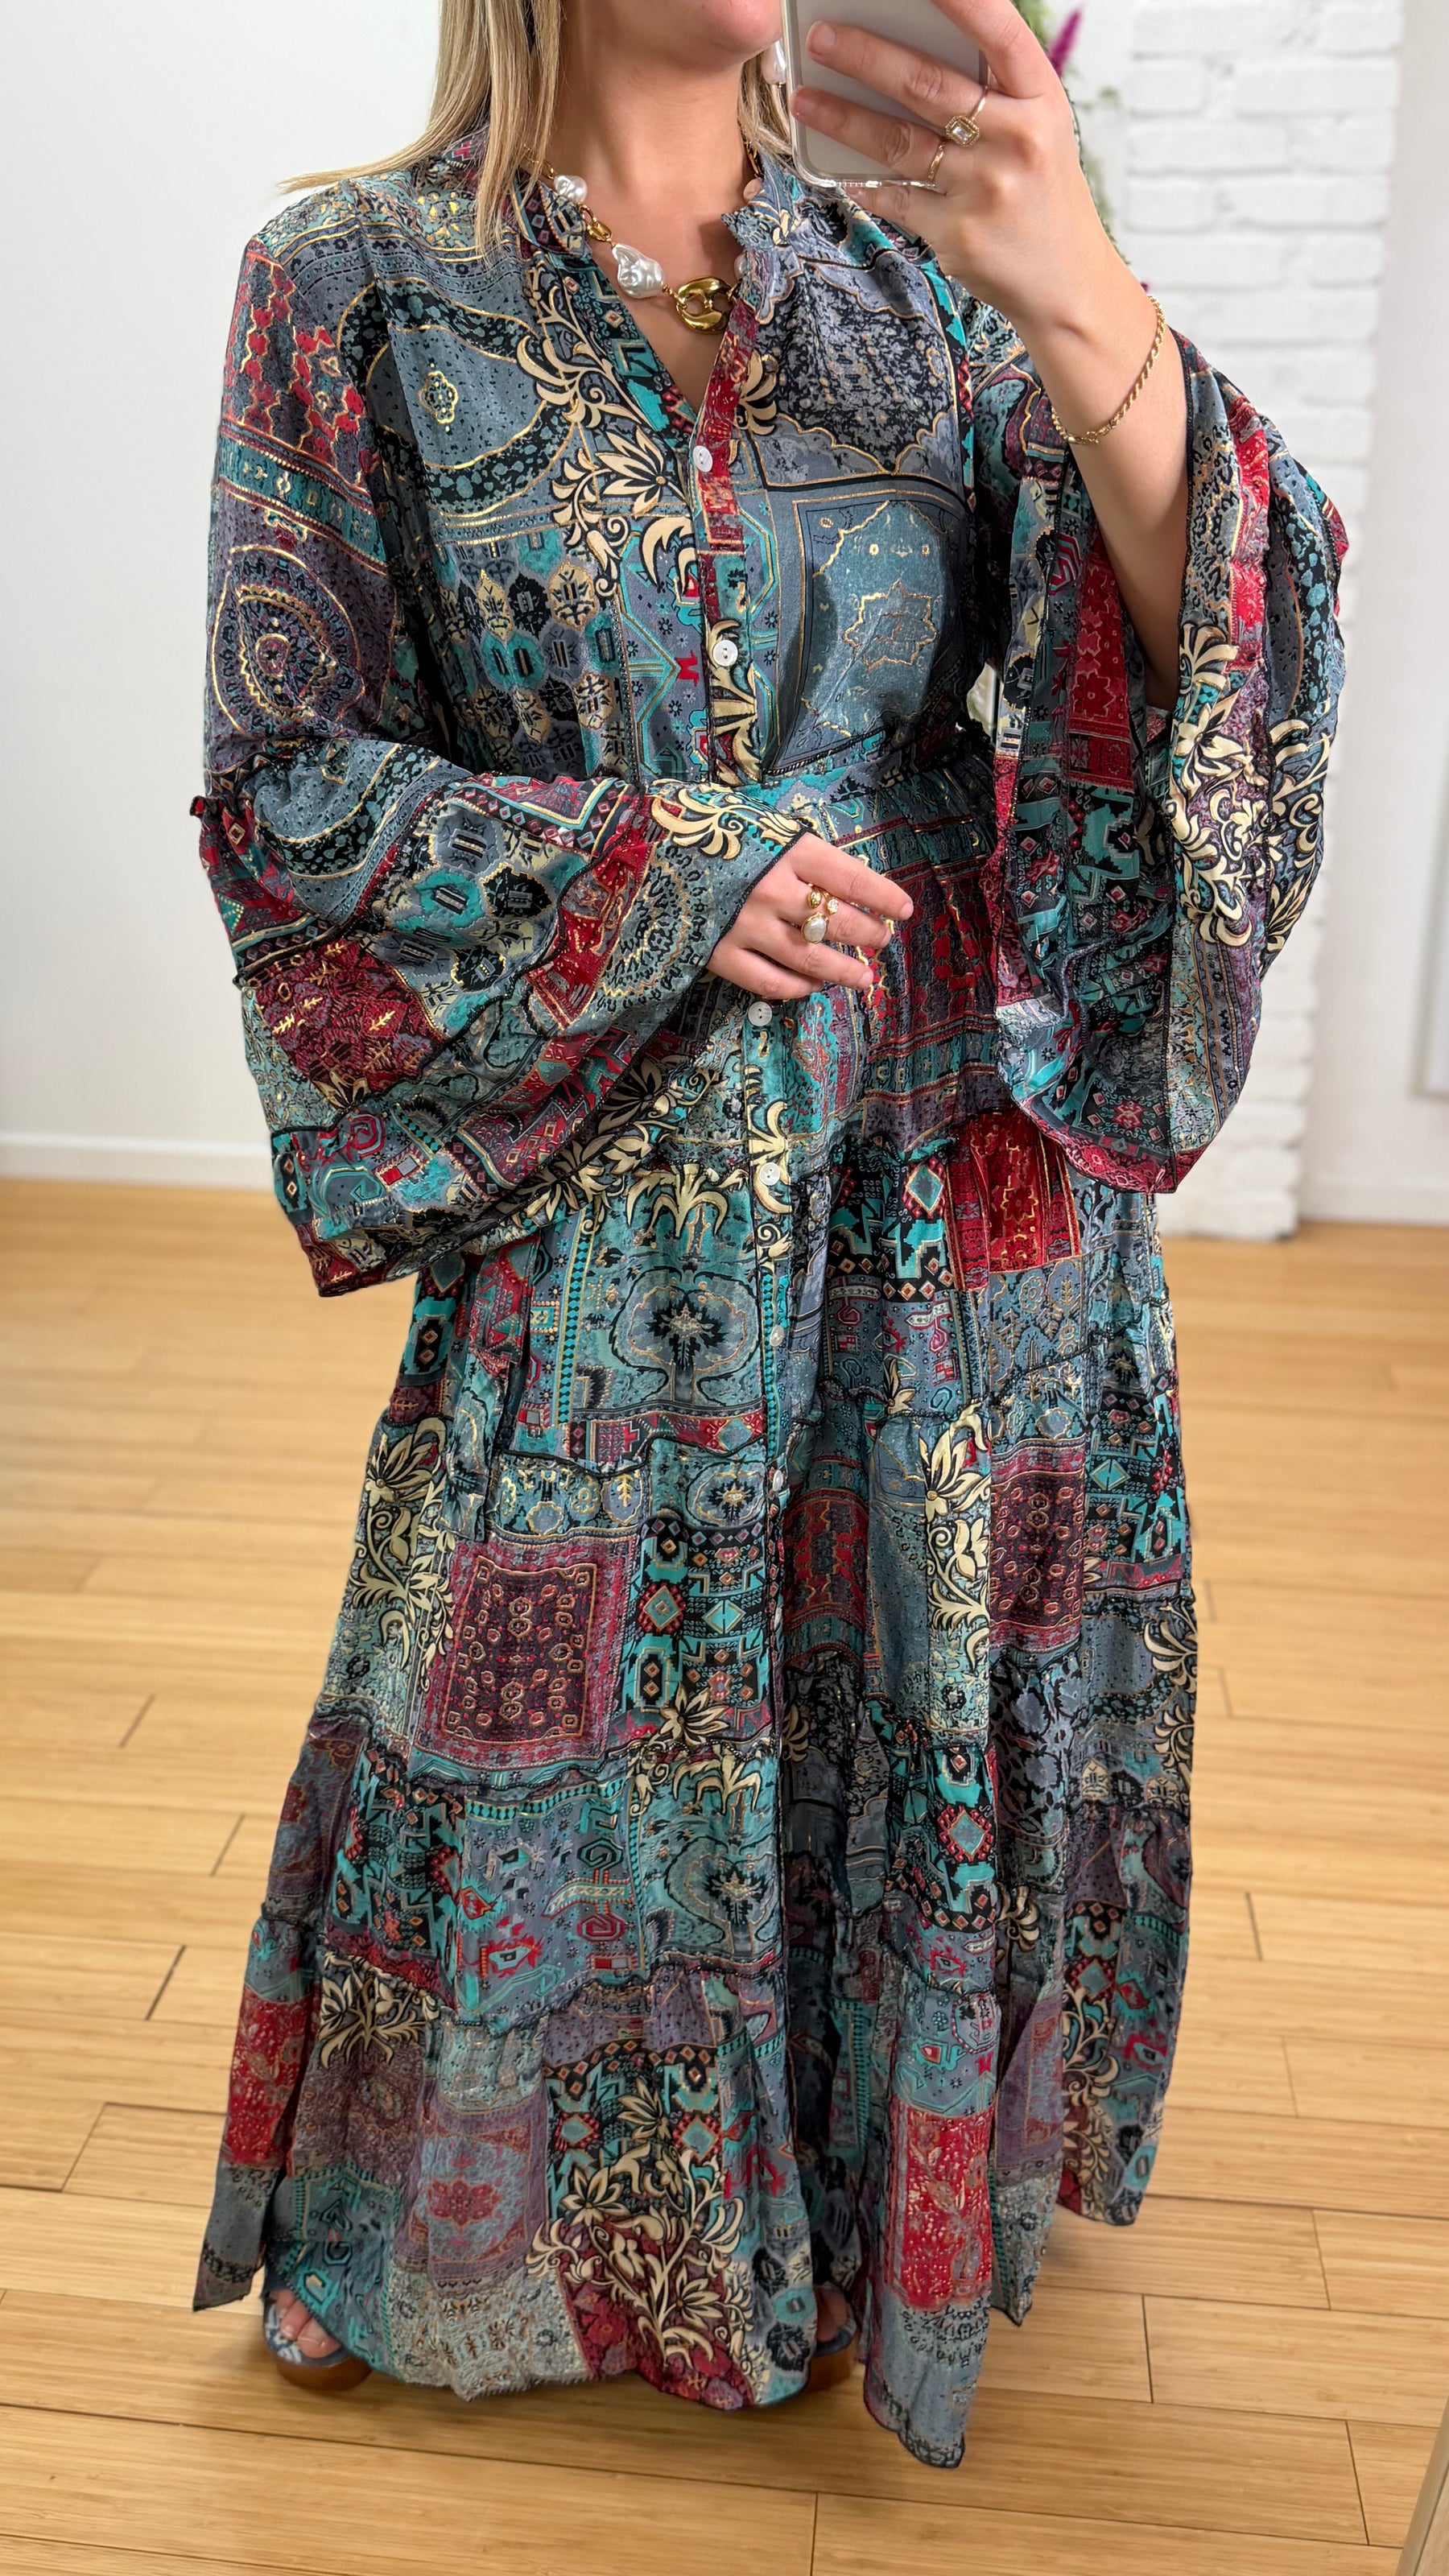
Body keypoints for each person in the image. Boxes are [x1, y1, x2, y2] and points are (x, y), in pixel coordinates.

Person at [191, 0, 1344, 2470]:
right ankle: (506, 2225)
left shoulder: (922, 262)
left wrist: (1081, 293)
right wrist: (656, 865)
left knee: (910, 1663)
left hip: (948, 1166)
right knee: (558, 1680)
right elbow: (289, 783)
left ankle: (861, 2190)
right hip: (621, 1175)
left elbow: (1195, 655)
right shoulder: (351, 283)